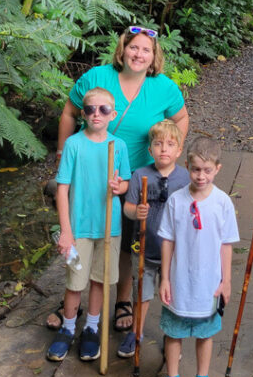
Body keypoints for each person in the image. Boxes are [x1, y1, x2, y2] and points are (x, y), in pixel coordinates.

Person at [46, 26, 189, 333]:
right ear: (122, 50)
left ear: (153, 57)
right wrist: (61, 154)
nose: (138, 54)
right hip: (89, 175)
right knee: (81, 235)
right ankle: (70, 301)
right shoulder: (97, 77)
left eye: (145, 50)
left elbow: (181, 119)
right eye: (133, 47)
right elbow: (70, 112)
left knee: (124, 241)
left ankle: (122, 300)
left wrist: (167, 155)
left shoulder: (163, 87)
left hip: (136, 178)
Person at [46, 88, 131, 362]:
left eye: (104, 110)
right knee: (75, 282)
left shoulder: (118, 146)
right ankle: (68, 328)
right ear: (83, 113)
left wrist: (119, 186)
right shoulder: (74, 144)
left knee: (99, 280)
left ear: (112, 114)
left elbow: (126, 182)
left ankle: (92, 328)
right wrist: (66, 230)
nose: (97, 114)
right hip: (79, 226)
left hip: (109, 226)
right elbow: (62, 190)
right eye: (91, 109)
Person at [158, 137, 239, 377]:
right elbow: (167, 240)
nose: (200, 176)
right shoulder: (176, 201)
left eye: (206, 170)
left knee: (205, 333)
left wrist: (226, 280)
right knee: (174, 330)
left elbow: (226, 244)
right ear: (187, 167)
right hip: (180, 280)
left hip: (209, 283)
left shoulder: (223, 203)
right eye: (195, 170)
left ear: (217, 168)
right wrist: (165, 278)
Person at [117, 119, 189, 358]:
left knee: (171, 296)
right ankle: (135, 333)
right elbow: (127, 208)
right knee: (142, 295)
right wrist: (135, 212)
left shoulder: (185, 179)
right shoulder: (140, 175)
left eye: (170, 144)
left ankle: (172, 337)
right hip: (144, 248)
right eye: (158, 144)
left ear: (179, 150)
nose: (164, 149)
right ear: (150, 150)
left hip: (175, 254)